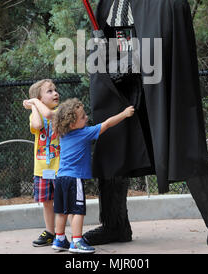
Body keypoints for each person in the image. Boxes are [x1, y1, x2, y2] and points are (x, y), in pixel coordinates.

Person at [83, 0, 208, 247]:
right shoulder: (107, 1)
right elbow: (102, 53)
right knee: (112, 149)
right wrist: (103, 57)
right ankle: (115, 225)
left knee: (185, 147)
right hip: (120, 89)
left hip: (160, 87)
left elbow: (174, 54)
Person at [51, 98, 134, 253]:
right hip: (74, 179)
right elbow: (107, 124)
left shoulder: (62, 135)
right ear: (72, 124)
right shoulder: (84, 133)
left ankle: (59, 238)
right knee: (77, 211)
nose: (86, 118)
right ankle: (76, 242)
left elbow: (52, 116)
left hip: (60, 178)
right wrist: (124, 113)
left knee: (62, 211)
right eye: (82, 117)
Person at [23, 79, 60, 247]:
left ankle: (62, 234)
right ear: (39, 98)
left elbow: (47, 116)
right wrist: (34, 107)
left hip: (60, 167)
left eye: (55, 90)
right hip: (42, 169)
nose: (55, 93)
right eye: (50, 91)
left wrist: (34, 102)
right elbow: (37, 124)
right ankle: (50, 232)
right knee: (47, 202)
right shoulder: (34, 114)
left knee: (62, 201)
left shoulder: (60, 111)